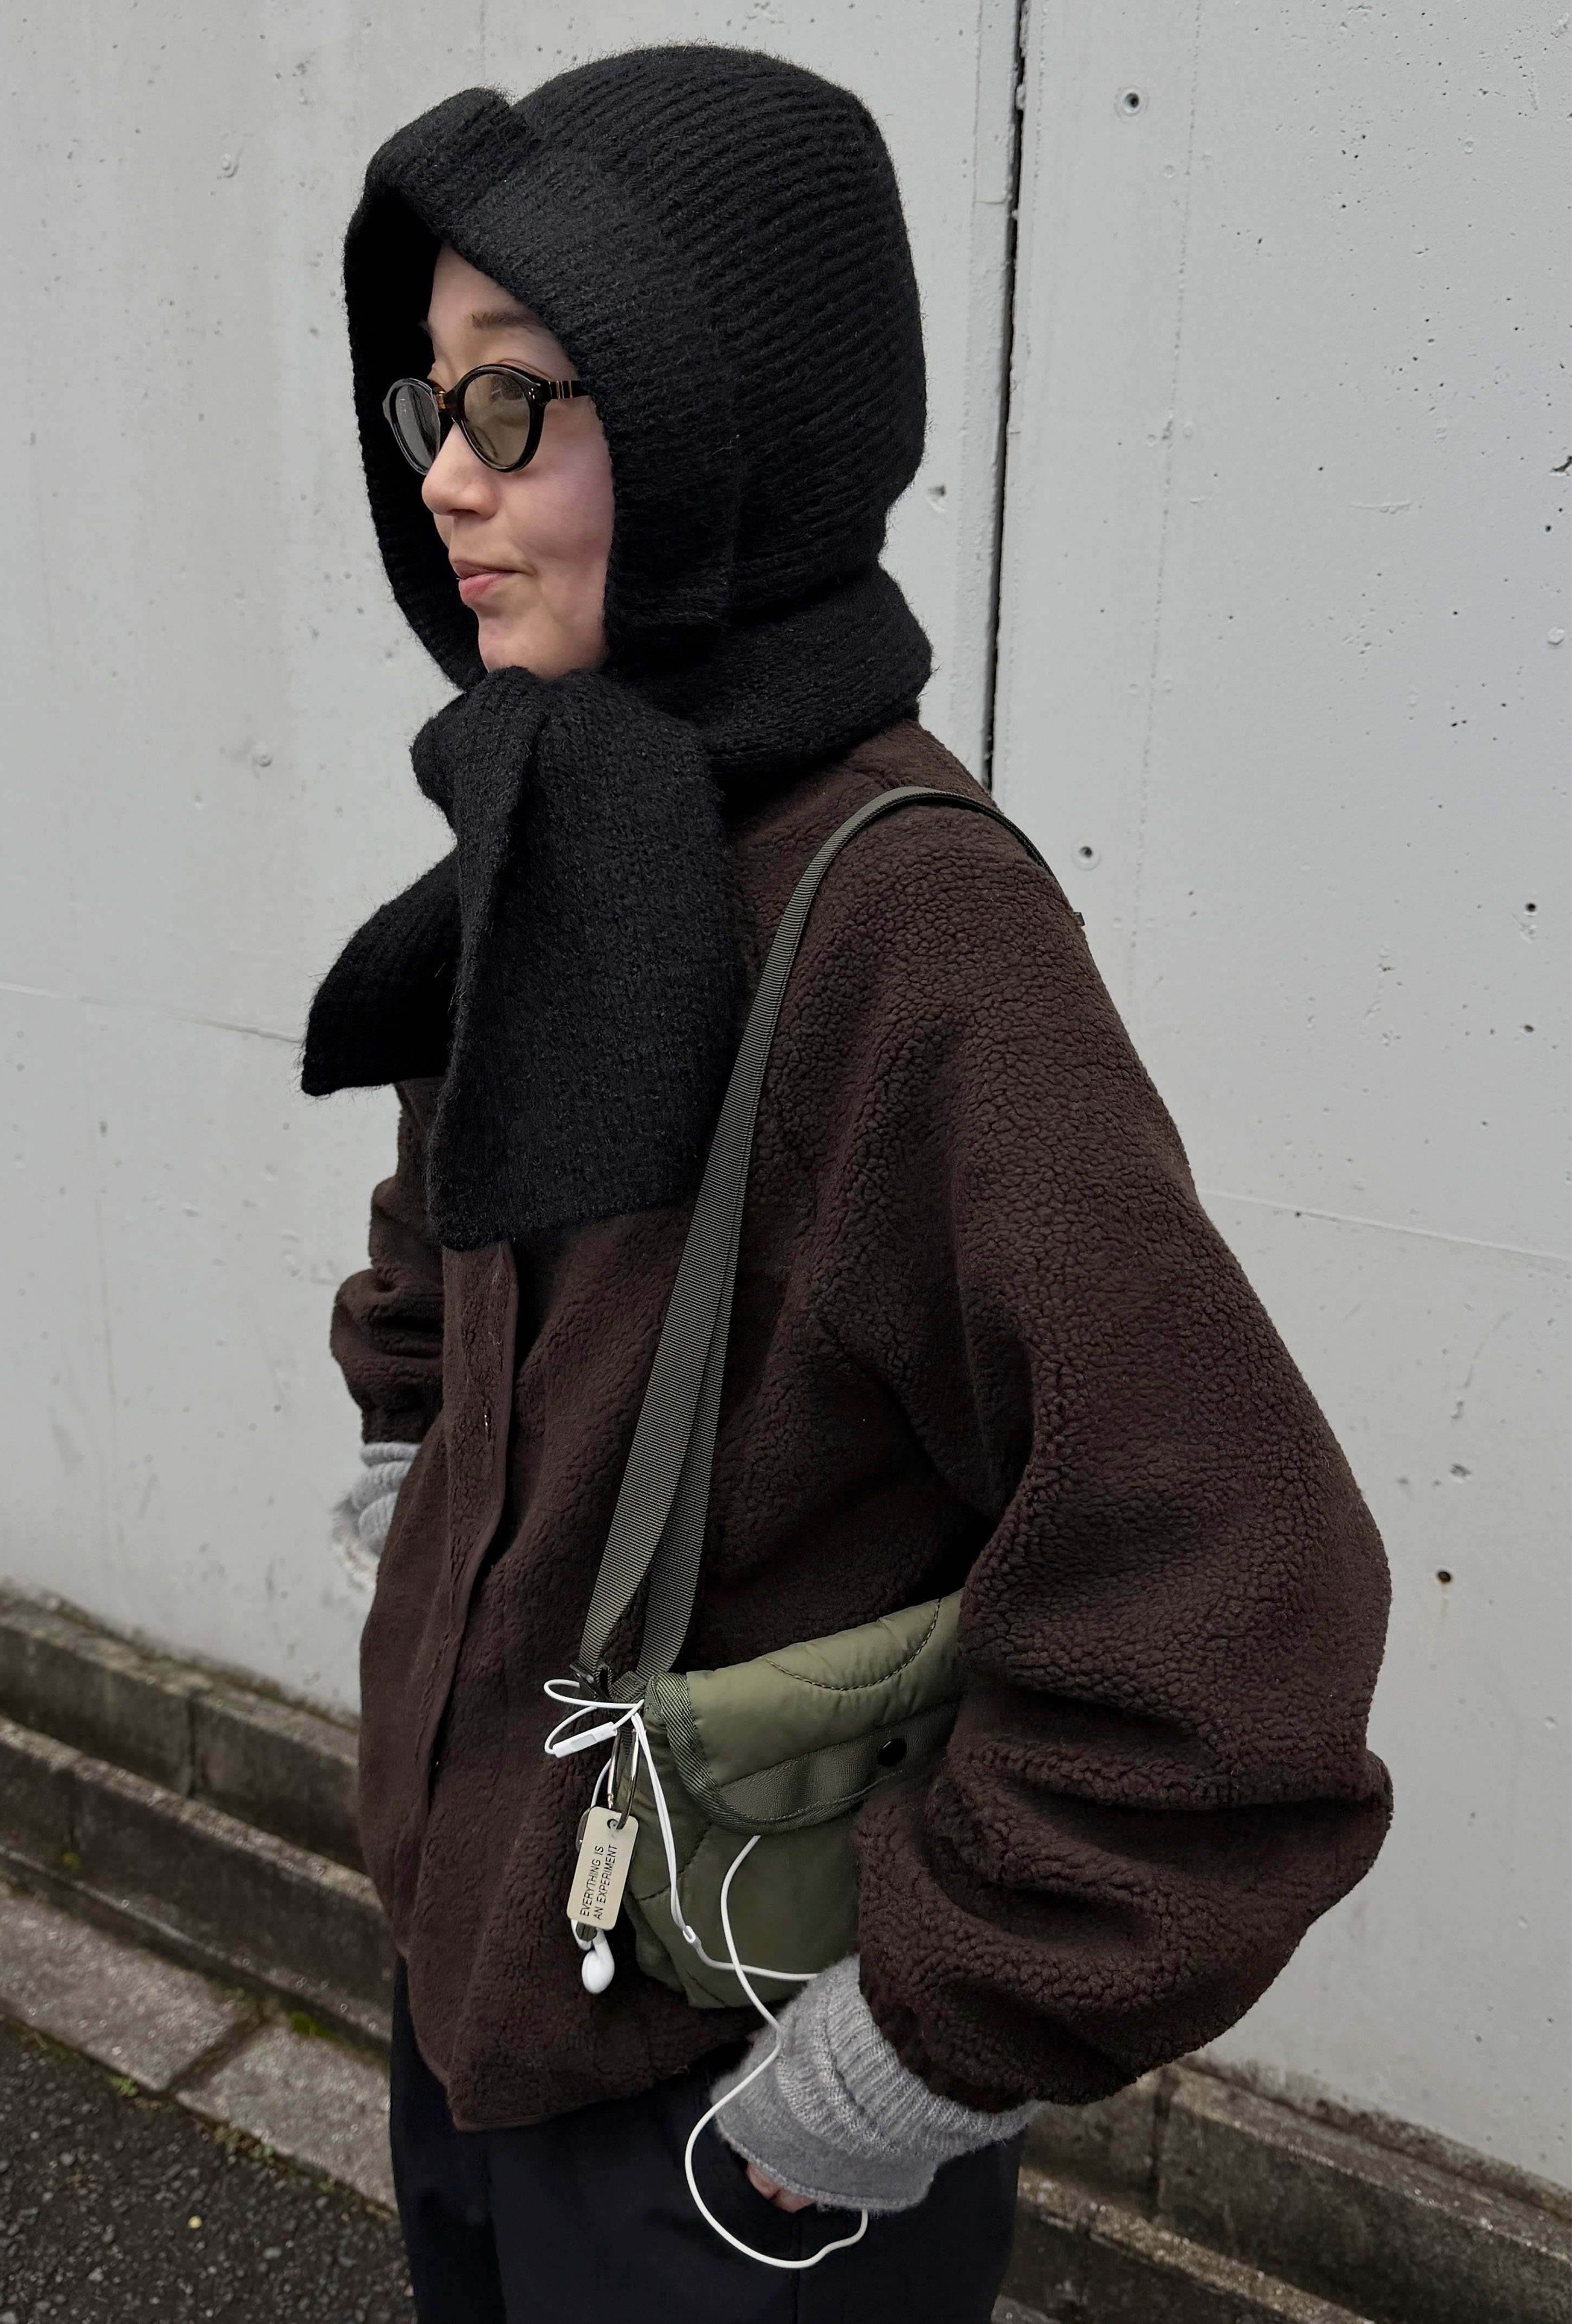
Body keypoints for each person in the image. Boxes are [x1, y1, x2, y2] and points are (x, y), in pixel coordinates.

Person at [303, 45, 1392, 2324]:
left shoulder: (912, 923)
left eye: (515, 400)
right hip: (480, 1980)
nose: (446, 479)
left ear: (728, 416)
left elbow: (1229, 1601)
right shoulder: (564, 797)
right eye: (431, 402)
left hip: (727, 2106)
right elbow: (450, 1215)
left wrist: (878, 2081)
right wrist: (417, 1494)